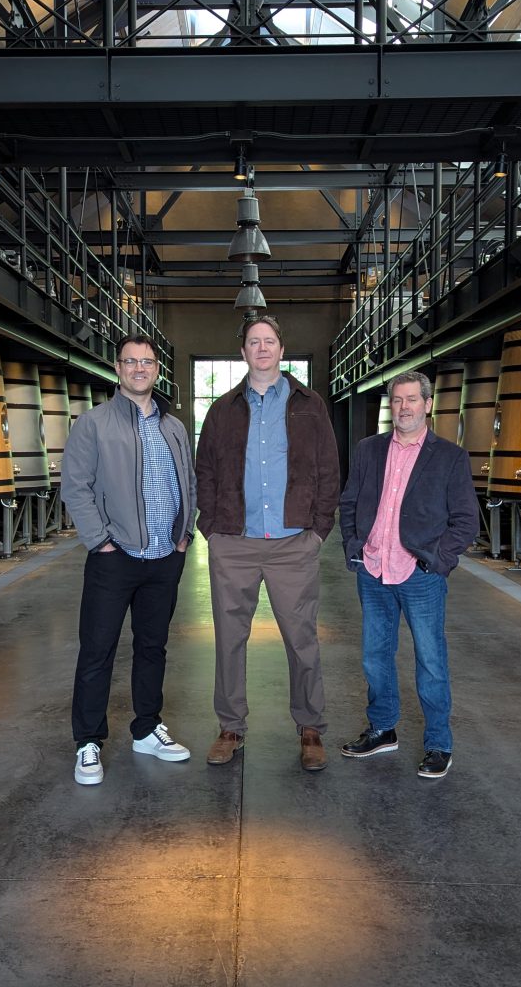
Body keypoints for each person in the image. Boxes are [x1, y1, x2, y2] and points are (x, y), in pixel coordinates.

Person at [195, 315, 340, 771]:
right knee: (229, 639)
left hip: (293, 543)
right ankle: (230, 727)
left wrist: (318, 530)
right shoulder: (222, 409)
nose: (262, 348)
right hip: (234, 542)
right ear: (243, 352)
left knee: (302, 640)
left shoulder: (310, 405)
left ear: (281, 349)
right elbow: (205, 471)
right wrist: (212, 528)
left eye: (269, 341)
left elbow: (328, 469)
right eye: (254, 341)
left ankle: (311, 727)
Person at [61, 334, 196, 785]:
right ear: (118, 368)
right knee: (97, 650)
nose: (140, 368)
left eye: (147, 362)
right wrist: (99, 541)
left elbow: (188, 482)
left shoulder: (173, 427)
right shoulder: (93, 424)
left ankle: (146, 728)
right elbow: (75, 487)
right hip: (114, 557)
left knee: (152, 647)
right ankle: (88, 742)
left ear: (157, 370)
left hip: (164, 557)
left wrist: (184, 535)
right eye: (130, 361)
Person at [339, 370, 478, 779]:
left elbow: (466, 521)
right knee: (375, 656)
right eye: (397, 400)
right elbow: (349, 503)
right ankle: (383, 729)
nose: (404, 407)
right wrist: (355, 547)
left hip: (420, 575)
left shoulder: (450, 457)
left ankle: (438, 743)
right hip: (373, 570)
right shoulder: (368, 449)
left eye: (412, 399)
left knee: (431, 660)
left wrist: (437, 560)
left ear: (427, 404)